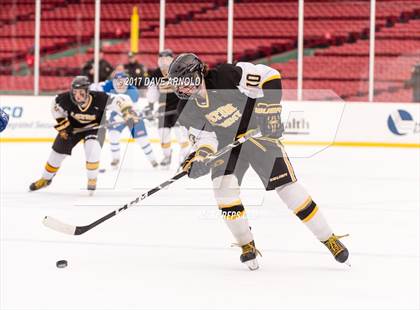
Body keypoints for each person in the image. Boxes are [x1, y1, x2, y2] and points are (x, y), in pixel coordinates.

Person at [168, 53, 350, 270]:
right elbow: (206, 139)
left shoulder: (227, 75)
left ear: (198, 73)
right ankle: (247, 245)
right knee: (223, 191)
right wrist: (200, 157)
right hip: (228, 146)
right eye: (179, 84)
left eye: (186, 81)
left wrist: (269, 112)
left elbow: (269, 75)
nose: (184, 88)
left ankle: (328, 238)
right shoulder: (186, 110)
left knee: (288, 188)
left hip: (256, 135)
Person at [29, 76, 110, 194]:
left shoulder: (100, 98)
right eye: (75, 92)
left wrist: (127, 112)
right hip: (72, 128)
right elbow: (55, 108)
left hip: (95, 129)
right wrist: (64, 127)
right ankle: (46, 179)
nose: (77, 96)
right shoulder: (64, 99)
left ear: (88, 91)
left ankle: (92, 178)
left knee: (92, 151)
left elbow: (121, 102)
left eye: (81, 93)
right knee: (56, 154)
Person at [97, 71, 158, 168]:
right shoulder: (108, 88)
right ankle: (115, 158)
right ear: (114, 82)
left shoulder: (133, 91)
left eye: (123, 81)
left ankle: (152, 159)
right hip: (116, 114)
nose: (120, 84)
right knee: (113, 135)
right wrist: (106, 118)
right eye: (118, 81)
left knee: (142, 139)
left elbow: (129, 109)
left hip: (132, 115)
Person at [145, 49, 190, 168]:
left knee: (180, 134)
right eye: (162, 59)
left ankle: (185, 156)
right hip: (163, 108)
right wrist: (149, 107)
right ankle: (167, 155)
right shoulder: (155, 74)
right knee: (163, 134)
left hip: (178, 107)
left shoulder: (179, 71)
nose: (164, 62)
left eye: (167, 59)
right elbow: (152, 93)